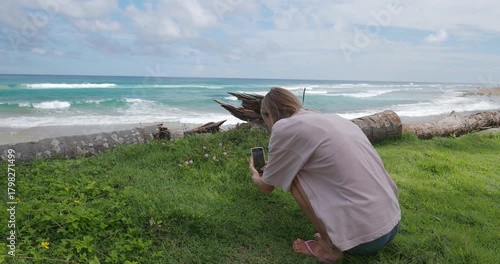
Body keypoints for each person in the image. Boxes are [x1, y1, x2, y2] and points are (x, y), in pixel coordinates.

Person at [249, 87, 401, 263]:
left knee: (294, 175)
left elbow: (267, 187)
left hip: (365, 240)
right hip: (392, 223)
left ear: (269, 115)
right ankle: (336, 229)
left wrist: (255, 174)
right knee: (300, 167)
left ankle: (328, 248)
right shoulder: (333, 119)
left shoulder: (283, 127)